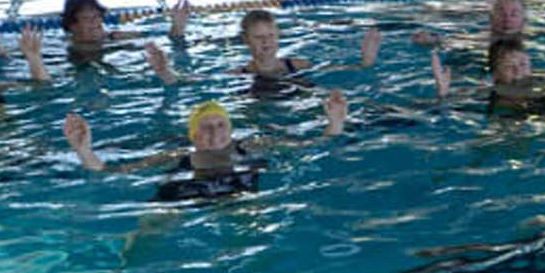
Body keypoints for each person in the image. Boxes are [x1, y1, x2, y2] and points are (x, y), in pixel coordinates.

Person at [62, 93, 347, 202]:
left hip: (238, 191)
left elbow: (312, 145)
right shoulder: (176, 156)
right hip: (185, 193)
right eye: (206, 127)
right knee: (150, 227)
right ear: (194, 136)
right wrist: (85, 151)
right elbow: (114, 172)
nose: (215, 132)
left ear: (232, 129)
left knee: (251, 222)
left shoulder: (255, 144)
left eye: (221, 124)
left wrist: (334, 123)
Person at [146, 8, 381, 85]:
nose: (266, 41)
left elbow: (339, 70)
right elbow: (194, 80)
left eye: (270, 35)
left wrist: (367, 62)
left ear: (278, 36)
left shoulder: (297, 64)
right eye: (258, 37)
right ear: (246, 41)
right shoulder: (241, 74)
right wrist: (166, 72)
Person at [431, 29, 545, 114]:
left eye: (522, 63)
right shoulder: (489, 91)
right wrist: (443, 95)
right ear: (495, 74)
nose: (518, 70)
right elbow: (445, 105)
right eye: (510, 66)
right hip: (508, 119)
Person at [409, 0, 545, 49]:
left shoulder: (533, 35)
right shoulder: (485, 38)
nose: (507, 19)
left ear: (524, 21)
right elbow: (454, 40)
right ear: (490, 19)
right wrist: (431, 39)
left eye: (514, 14)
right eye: (501, 13)